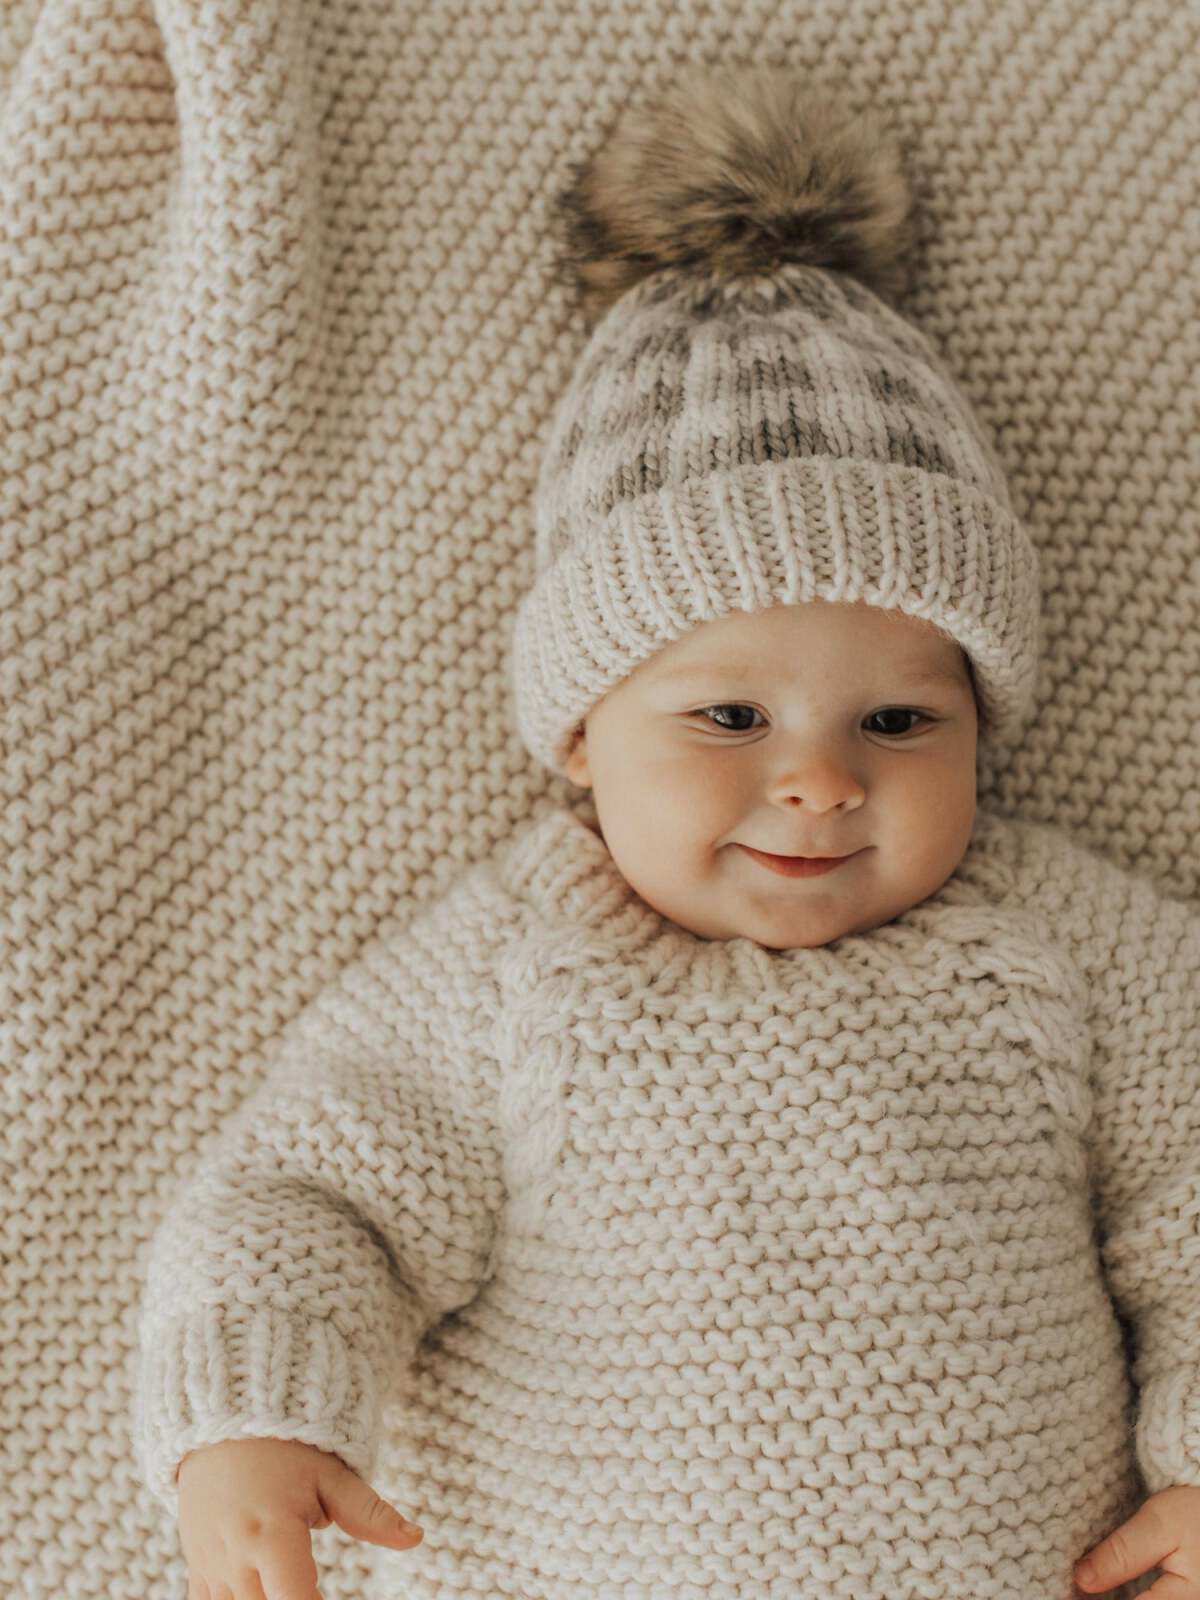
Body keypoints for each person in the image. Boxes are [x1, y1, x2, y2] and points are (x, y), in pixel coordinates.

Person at [133, 64, 1200, 1600]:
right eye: (729, 720)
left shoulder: (1070, 946)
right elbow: (316, 1195)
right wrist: (248, 1417)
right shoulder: (515, 960)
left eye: (900, 723)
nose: (822, 783)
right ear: (581, 734)